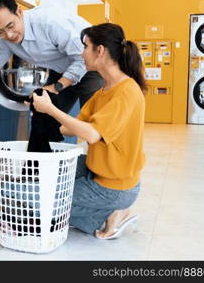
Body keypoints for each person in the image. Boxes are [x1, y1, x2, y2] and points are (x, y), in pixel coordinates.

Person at [31, 23, 146, 239]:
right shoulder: (102, 92)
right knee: (48, 175)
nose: (81, 53)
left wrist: (50, 109)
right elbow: (66, 129)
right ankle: (103, 214)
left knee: (34, 203)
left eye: (85, 47)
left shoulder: (127, 92)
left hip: (115, 186)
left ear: (100, 51)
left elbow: (92, 134)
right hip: (96, 171)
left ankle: (114, 210)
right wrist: (45, 110)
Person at [0, 0, 104, 113]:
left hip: (93, 66)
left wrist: (55, 87)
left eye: (11, 26)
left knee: (94, 123)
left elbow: (81, 58)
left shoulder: (49, 23)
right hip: (63, 70)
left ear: (19, 11)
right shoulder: (4, 41)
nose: (9, 35)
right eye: (0, 31)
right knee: (44, 121)